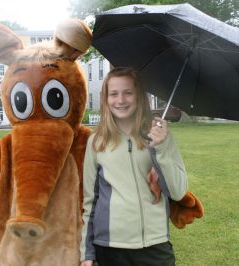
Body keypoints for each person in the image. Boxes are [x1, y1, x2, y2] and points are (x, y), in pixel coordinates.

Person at [79, 67, 188, 266]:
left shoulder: (160, 136)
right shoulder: (96, 141)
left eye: (128, 93)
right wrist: (87, 252)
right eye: (114, 94)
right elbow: (89, 201)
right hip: (109, 248)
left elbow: (178, 192)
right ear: (106, 98)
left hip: (155, 245)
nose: (120, 100)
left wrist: (161, 149)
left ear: (138, 96)